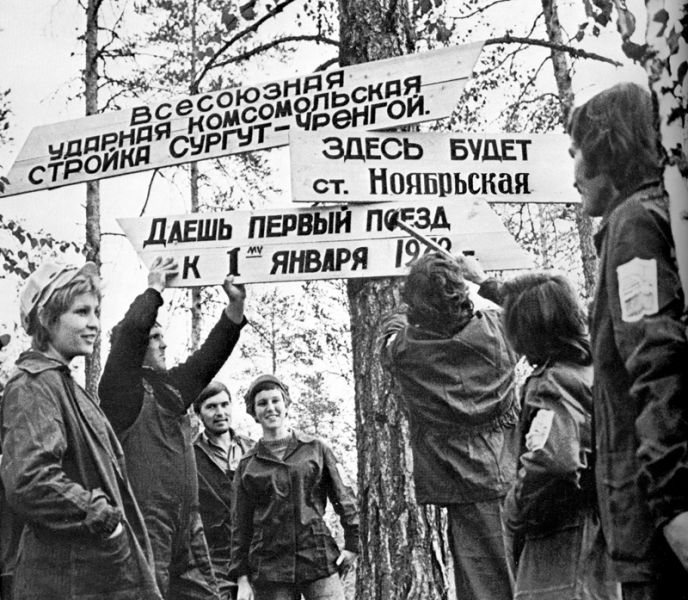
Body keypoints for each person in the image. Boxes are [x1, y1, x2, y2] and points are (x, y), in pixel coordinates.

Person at [568, 82, 688, 598]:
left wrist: (674, 506)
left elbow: (656, 363)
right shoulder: (663, 211)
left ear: (605, 149)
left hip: (659, 526)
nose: (573, 175)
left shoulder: (635, 225)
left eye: (575, 154)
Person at [0, 260, 160, 600]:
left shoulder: (62, 384)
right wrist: (104, 518)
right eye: (82, 312)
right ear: (48, 319)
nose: (94, 324)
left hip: (92, 576)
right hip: (67, 582)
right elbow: (31, 481)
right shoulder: (33, 385)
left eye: (96, 312)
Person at [458, 259, 618, 599]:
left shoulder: (553, 383)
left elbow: (554, 460)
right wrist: (486, 283)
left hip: (565, 542)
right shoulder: (594, 365)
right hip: (602, 536)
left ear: (527, 330)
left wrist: (515, 508)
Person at [99, 256, 247, 600]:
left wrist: (235, 306)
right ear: (136, 347)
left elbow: (209, 357)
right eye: (155, 337)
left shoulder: (171, 388)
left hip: (188, 526)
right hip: (145, 523)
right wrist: (154, 289)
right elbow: (131, 332)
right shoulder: (121, 390)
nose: (164, 344)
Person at [379, 252, 520, 600]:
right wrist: (482, 280)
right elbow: (533, 312)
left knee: (485, 589)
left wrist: (411, 296)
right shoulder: (500, 329)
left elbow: (389, 336)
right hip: (514, 472)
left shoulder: (407, 351)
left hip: (463, 486)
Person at [229, 374, 359, 600]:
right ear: (254, 412)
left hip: (317, 557)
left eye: (275, 400)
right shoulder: (248, 465)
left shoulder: (315, 449)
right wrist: (241, 577)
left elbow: (344, 496)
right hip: (270, 567)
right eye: (262, 403)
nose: (270, 408)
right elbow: (240, 525)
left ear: (286, 404)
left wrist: (353, 544)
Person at [193, 381, 254, 600]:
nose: (220, 412)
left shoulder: (253, 449)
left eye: (224, 404)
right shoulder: (190, 456)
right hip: (217, 559)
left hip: (257, 554)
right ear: (198, 413)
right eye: (211, 407)